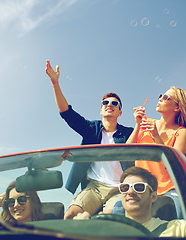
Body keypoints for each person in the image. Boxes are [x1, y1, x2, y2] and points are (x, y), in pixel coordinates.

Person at [45, 60, 134, 219]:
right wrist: (55, 84)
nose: (109, 105)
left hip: (120, 188)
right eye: (105, 102)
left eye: (115, 103)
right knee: (71, 216)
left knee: (109, 218)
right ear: (101, 109)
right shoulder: (91, 128)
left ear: (120, 112)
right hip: (94, 187)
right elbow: (67, 114)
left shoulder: (128, 132)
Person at [126, 87, 186, 218]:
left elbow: (174, 165)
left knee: (178, 213)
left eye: (166, 98)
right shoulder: (146, 123)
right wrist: (137, 125)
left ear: (176, 108)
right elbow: (127, 152)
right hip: (141, 187)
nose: (160, 99)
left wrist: (156, 136)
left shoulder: (181, 132)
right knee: (118, 209)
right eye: (161, 96)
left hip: (168, 189)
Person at [74, 167, 186, 237]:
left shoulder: (177, 229)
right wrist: (78, 232)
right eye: (125, 187)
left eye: (139, 187)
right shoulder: (105, 232)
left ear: (153, 196)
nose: (130, 191)